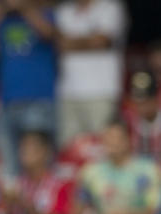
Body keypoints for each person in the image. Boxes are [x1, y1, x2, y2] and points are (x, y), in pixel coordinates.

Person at [0, 0, 58, 177]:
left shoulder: (45, 13)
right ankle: (15, 204)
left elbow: (49, 34)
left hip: (39, 100)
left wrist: (25, 9)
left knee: (41, 163)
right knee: (10, 168)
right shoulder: (2, 22)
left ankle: (43, 203)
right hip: (7, 102)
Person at [55, 0, 127, 147]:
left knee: (103, 147)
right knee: (69, 149)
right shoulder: (64, 11)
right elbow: (58, 43)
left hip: (101, 91)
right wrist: (88, 40)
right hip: (68, 92)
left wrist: (70, 43)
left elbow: (101, 42)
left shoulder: (110, 7)